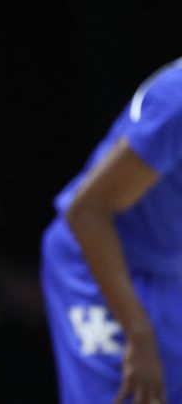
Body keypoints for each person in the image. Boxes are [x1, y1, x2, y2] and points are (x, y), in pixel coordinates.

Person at [40, 57, 182, 404]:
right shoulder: (176, 100)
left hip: (168, 268)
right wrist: (138, 331)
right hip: (96, 259)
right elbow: (87, 213)